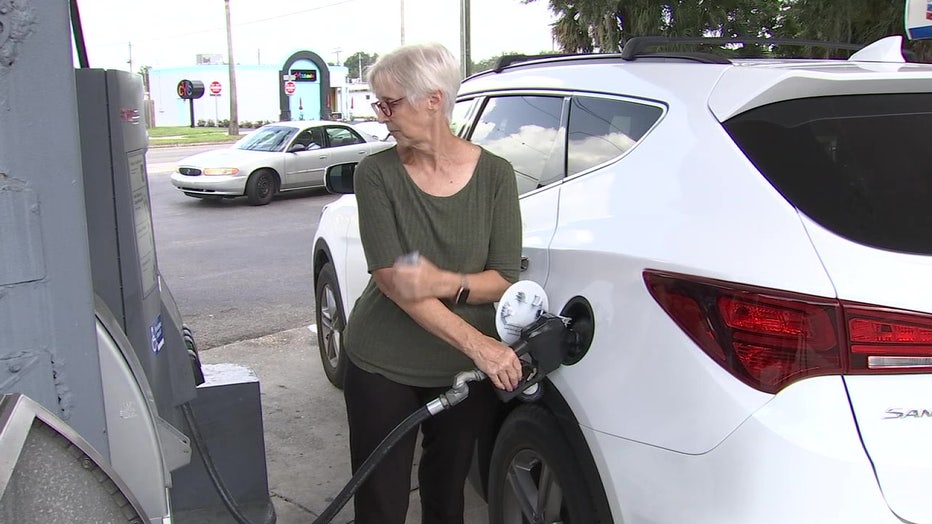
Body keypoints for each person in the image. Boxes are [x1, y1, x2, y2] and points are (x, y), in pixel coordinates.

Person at [341, 42, 524, 524]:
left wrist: (440, 280)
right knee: (380, 505)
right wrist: (480, 346)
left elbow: (503, 279)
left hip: (461, 372)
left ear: (433, 99)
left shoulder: (497, 176)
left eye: (389, 103)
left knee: (446, 501)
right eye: (377, 104)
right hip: (383, 363)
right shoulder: (375, 174)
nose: (381, 116)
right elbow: (395, 283)